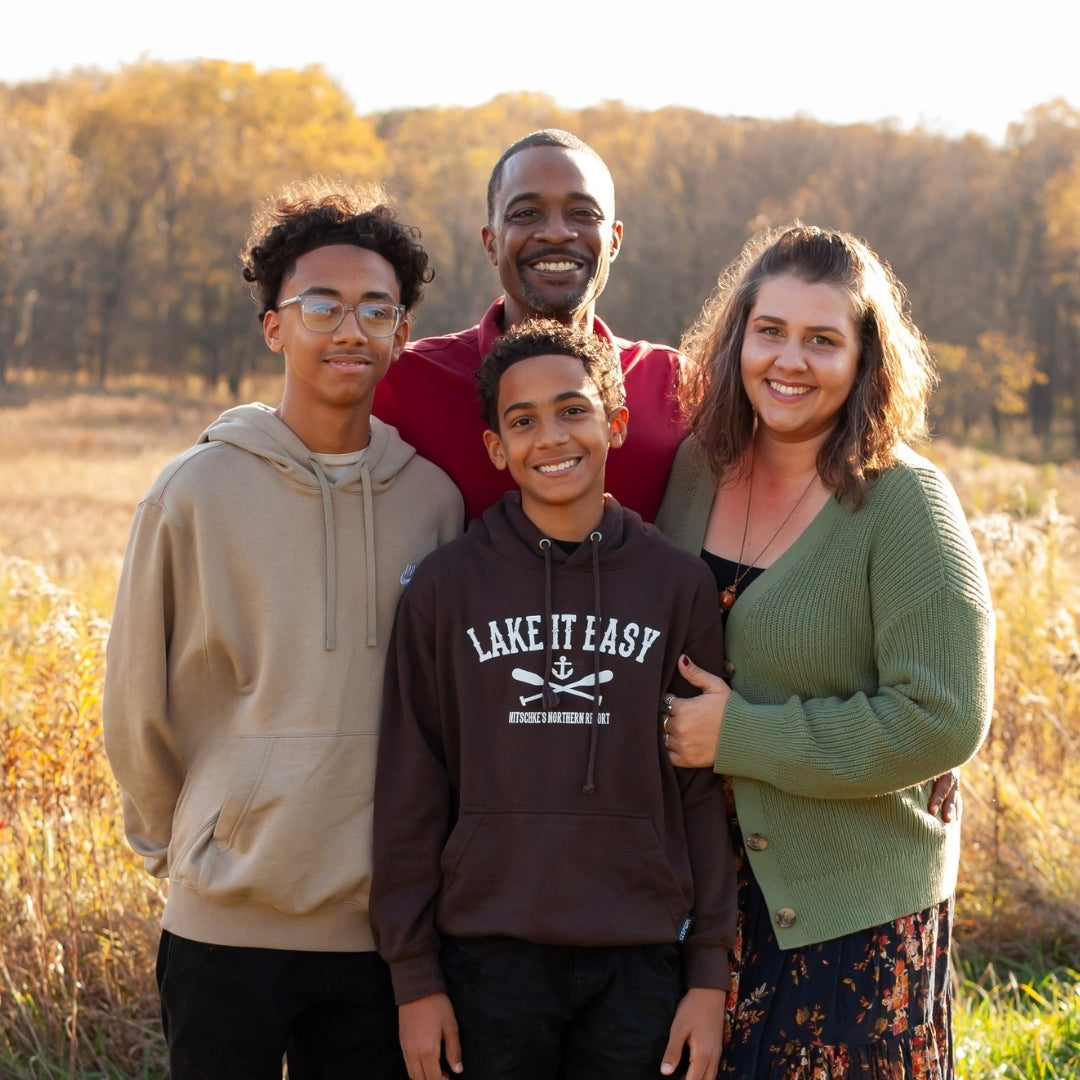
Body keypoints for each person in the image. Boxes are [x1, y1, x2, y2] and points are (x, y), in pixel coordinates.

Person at [102, 178, 464, 1079]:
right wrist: (183, 847)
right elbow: (135, 699)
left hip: (383, 935)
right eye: (322, 305)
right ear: (275, 326)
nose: (350, 330)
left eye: (376, 309)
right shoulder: (196, 491)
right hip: (225, 920)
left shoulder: (434, 500)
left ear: (402, 334)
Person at [655, 224, 994, 1077]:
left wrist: (743, 738)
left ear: (865, 358)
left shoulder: (904, 502)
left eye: (822, 340)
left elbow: (945, 719)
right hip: (700, 910)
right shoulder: (699, 466)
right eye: (770, 331)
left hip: (849, 919)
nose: (789, 361)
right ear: (739, 336)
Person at [370, 320, 738, 1080]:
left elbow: (702, 791)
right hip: (487, 955)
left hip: (639, 955)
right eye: (522, 420)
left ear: (618, 424)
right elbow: (411, 786)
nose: (551, 436)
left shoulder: (676, 586)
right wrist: (414, 979)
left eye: (574, 409)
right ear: (496, 449)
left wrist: (708, 975)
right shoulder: (446, 589)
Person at [372, 128, 685, 522]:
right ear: (491, 243)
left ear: (615, 240)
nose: (556, 232)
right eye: (526, 214)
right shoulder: (404, 384)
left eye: (583, 213)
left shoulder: (675, 385)